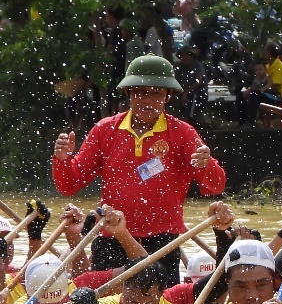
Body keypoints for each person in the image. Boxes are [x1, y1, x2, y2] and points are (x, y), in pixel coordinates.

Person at [52, 55, 226, 285]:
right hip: (111, 239)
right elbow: (68, 185)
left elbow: (216, 186)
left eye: (156, 93)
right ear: (129, 94)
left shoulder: (182, 133)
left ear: (167, 96)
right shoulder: (105, 130)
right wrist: (62, 160)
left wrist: (206, 164)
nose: (148, 100)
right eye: (140, 92)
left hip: (162, 243)